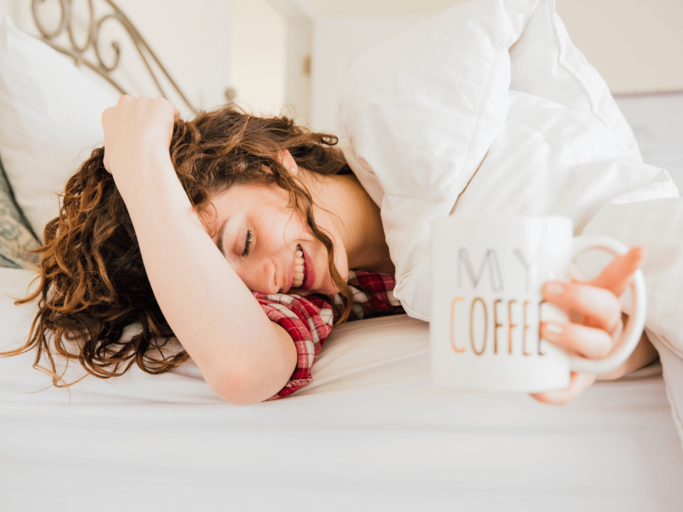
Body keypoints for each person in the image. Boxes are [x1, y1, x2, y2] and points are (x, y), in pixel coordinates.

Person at [3, 96, 658, 406]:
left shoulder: (418, 134)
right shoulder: (312, 299)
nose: (261, 278)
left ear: (268, 161)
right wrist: (138, 162)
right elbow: (240, 367)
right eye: (233, 284)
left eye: (243, 241)